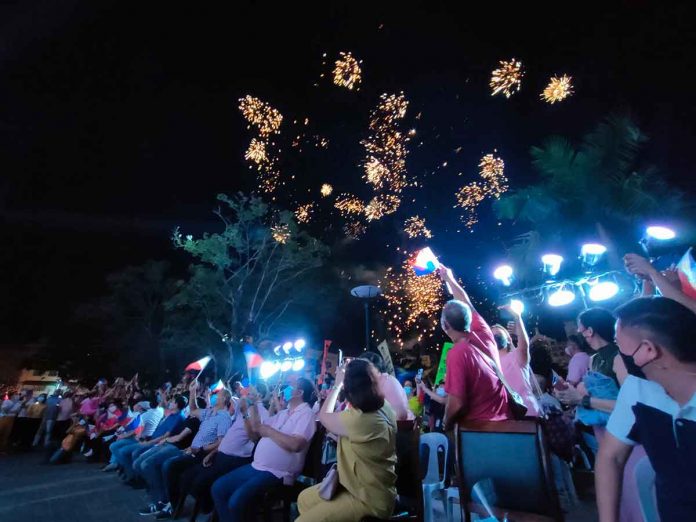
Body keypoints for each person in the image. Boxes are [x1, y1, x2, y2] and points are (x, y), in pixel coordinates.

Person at [597, 297, 696, 521]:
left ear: (649, 350)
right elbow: (610, 456)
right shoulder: (637, 389)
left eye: (618, 344)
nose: (617, 353)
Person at [297, 359, 397, 521]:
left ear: (350, 391)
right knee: (304, 499)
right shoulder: (384, 406)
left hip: (368, 499)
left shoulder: (359, 419)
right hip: (355, 485)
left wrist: (337, 386)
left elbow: (324, 416)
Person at [211, 377, 317, 522]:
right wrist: (253, 403)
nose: (284, 389)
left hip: (279, 472)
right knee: (218, 488)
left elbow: (296, 444)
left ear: (299, 392)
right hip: (258, 466)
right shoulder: (284, 413)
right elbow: (256, 428)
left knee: (236, 501)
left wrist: (269, 431)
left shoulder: (307, 414)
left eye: (289, 386)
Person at [176, 384, 270, 516]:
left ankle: (212, 508)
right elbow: (230, 403)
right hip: (221, 454)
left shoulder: (263, 413)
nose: (244, 395)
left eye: (248, 393)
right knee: (186, 476)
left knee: (199, 483)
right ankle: (210, 506)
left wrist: (245, 414)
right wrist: (213, 453)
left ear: (258, 396)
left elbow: (255, 438)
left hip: (235, 460)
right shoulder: (243, 408)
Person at [438, 265, 511, 429]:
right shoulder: (485, 334)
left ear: (445, 325)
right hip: (507, 423)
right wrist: (449, 279)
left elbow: (456, 403)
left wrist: (445, 423)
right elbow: (466, 304)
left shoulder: (457, 353)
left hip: (480, 431)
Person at [147, 383, 234, 519]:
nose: (215, 396)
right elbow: (193, 410)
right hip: (193, 451)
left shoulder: (224, 418)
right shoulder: (210, 412)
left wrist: (204, 449)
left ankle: (173, 506)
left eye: (219, 395)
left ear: (224, 400)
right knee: (168, 466)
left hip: (202, 454)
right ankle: (170, 502)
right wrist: (192, 392)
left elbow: (222, 442)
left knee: (169, 466)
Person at [492, 305, 540, 416]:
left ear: (508, 339)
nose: (495, 337)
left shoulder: (516, 356)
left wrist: (517, 317)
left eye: (498, 334)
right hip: (504, 418)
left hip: (528, 414)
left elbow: (524, 347)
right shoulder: (489, 365)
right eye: (492, 336)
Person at [359, 351, 411, 420]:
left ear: (376, 368)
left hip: (399, 428)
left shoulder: (388, 382)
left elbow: (401, 415)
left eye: (364, 368)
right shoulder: (375, 383)